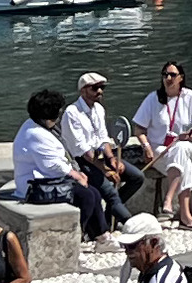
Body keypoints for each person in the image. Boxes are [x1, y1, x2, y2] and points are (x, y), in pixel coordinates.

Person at [8, 89, 119, 242]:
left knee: (94, 192)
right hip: (35, 187)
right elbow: (52, 165)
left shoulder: (39, 127)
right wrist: (75, 175)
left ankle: (100, 236)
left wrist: (76, 173)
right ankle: (75, 238)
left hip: (48, 180)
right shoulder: (35, 134)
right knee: (86, 196)